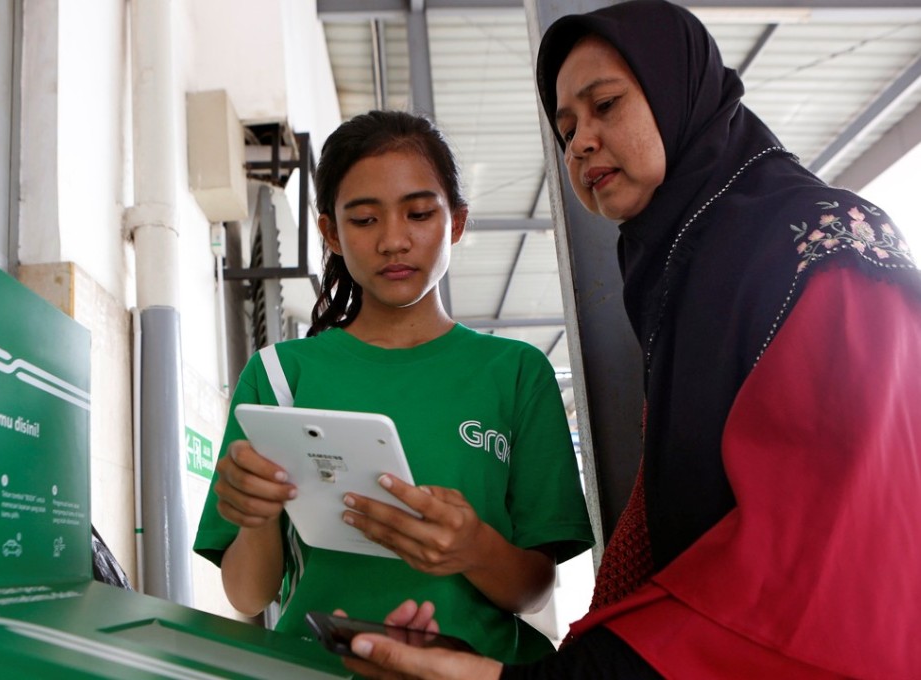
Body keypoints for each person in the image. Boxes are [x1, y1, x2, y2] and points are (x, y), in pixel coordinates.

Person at [338, 1, 921, 678]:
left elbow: (830, 559)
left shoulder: (818, 244)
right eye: (565, 128)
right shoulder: (688, 274)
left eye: (605, 105)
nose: (580, 141)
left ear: (681, 95)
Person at [192, 109, 594, 665]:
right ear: (330, 232)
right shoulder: (280, 378)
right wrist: (258, 516)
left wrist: (473, 548)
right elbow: (247, 594)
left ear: (455, 223)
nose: (394, 240)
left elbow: (532, 591)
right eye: (363, 220)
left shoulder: (516, 372)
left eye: (419, 213)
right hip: (320, 667)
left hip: (476, 670)